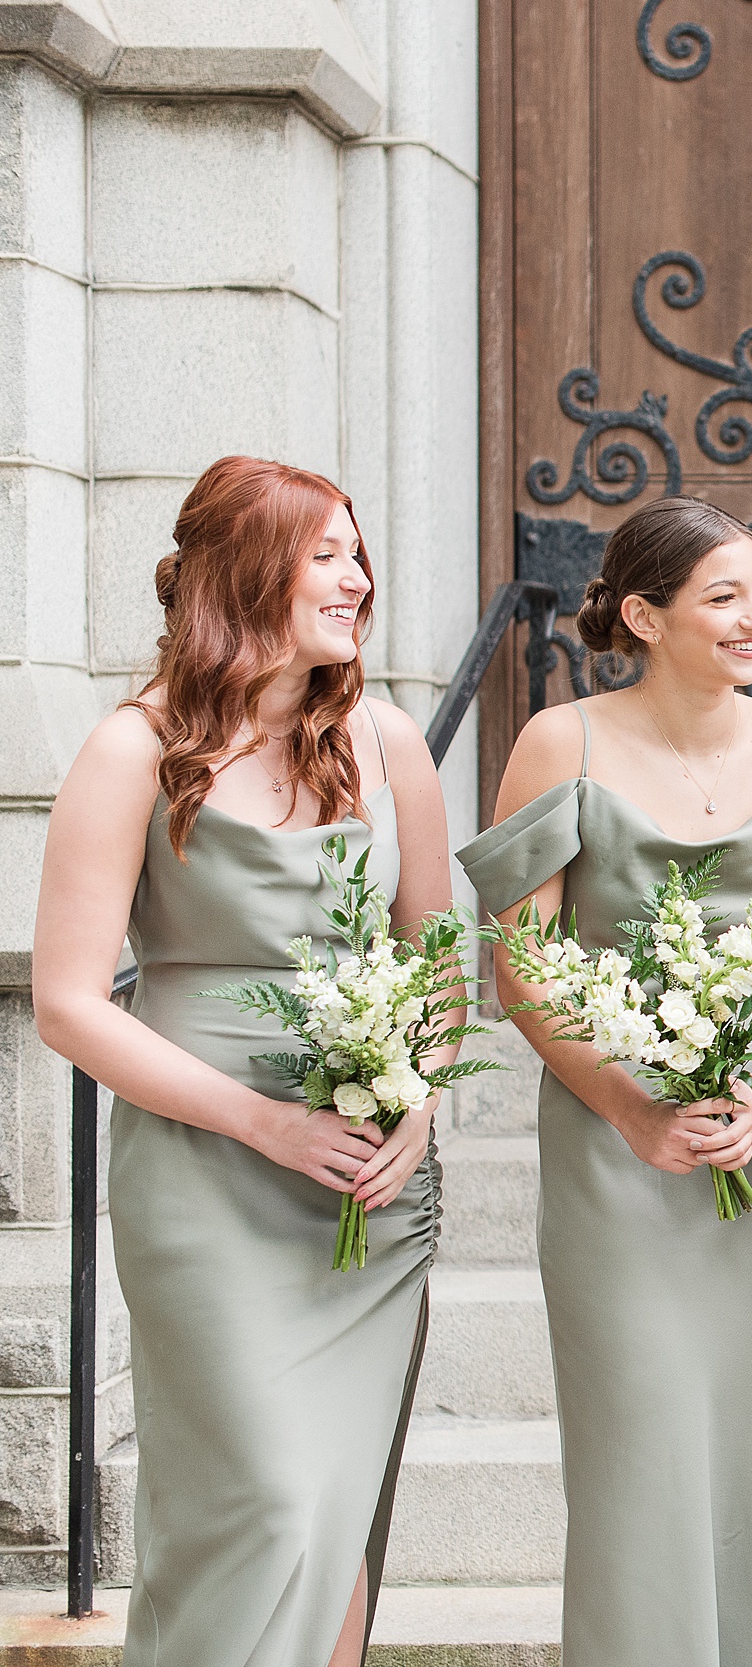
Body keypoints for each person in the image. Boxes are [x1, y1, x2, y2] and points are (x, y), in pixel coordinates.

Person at [34, 456, 449, 1666]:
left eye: (358, 554)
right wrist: (263, 1122)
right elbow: (67, 1003)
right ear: (243, 572)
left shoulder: (385, 742)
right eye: (327, 555)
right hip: (205, 1178)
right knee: (257, 1501)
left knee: (329, 1512)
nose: (357, 579)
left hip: (366, 1191)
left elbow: (436, 963)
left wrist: (418, 1094)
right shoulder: (135, 749)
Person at [458, 493, 752, 1667]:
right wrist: (629, 1102)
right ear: (645, 613)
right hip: (612, 1154)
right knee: (639, 1450)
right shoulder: (559, 743)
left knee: (739, 1442)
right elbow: (518, 963)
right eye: (726, 597)